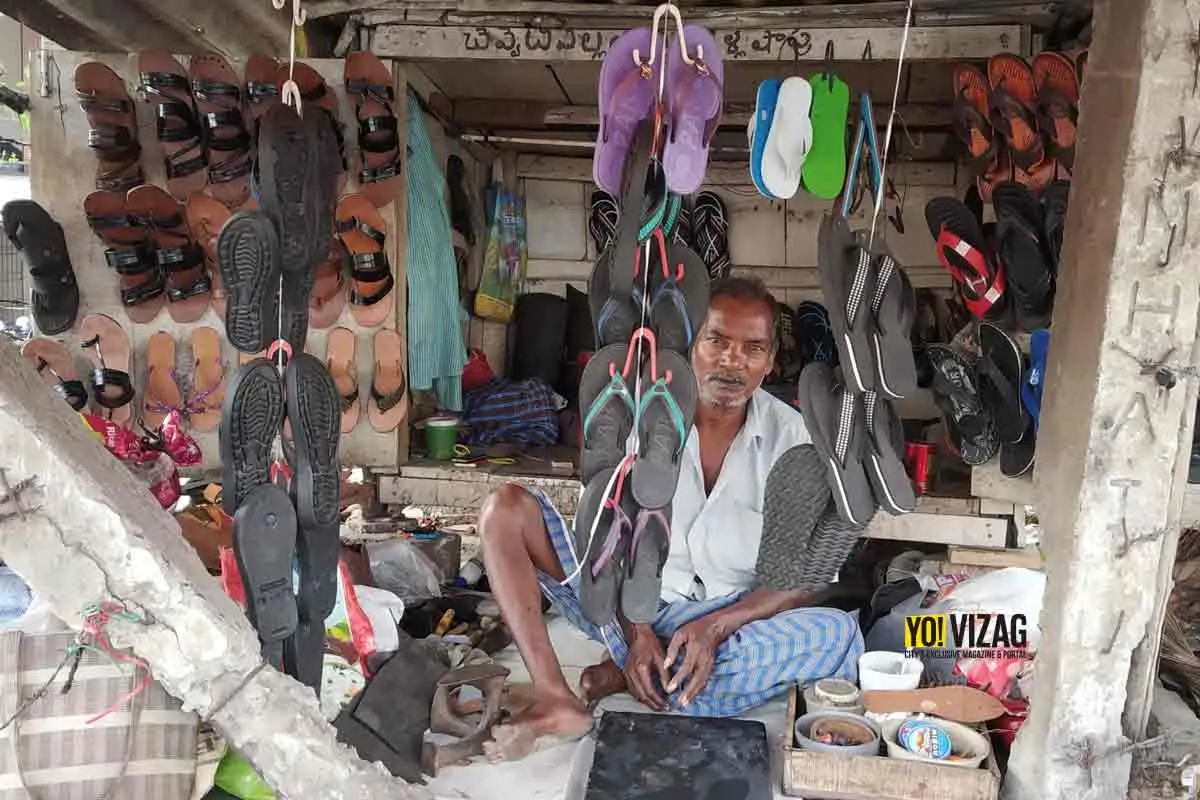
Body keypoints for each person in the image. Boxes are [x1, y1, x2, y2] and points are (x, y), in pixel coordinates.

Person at [477, 276, 864, 760]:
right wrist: (637, 631)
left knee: (837, 632)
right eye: (717, 341)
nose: (732, 361)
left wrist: (718, 626)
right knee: (506, 510)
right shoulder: (637, 421)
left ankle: (643, 673)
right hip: (623, 606)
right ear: (689, 346)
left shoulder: (796, 441)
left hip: (731, 625)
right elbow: (604, 542)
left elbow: (801, 578)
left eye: (752, 348)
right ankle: (560, 694)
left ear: (769, 362)